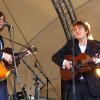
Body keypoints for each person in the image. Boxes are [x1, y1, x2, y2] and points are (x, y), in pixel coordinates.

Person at [52, 21, 100, 100]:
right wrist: (65, 63)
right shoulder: (70, 44)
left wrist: (98, 61)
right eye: (75, 29)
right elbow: (55, 56)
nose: (77, 31)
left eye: (80, 29)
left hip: (91, 85)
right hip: (74, 85)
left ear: (86, 31)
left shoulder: (96, 45)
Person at [0, 11, 32, 100]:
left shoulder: (1, 38)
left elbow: (5, 58)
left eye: (2, 19)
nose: (1, 21)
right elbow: (3, 55)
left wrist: (23, 54)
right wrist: (2, 55)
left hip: (1, 78)